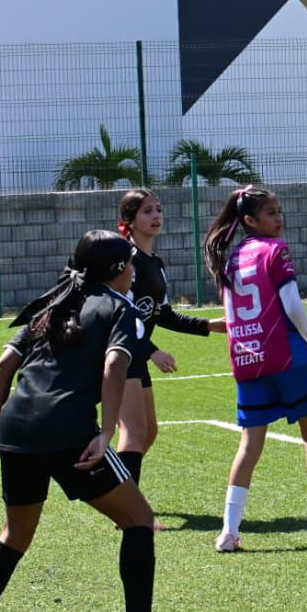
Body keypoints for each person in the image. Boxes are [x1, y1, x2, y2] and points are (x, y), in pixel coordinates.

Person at [0, 231, 194, 612]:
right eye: (130, 263)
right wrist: (107, 432)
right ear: (118, 270)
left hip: (19, 428)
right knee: (139, 520)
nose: (134, 270)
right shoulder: (119, 307)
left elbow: (3, 365)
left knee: (14, 536)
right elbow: (113, 368)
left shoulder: (52, 300)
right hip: (69, 430)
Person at [203, 185, 307, 552]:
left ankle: (229, 531)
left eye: (279, 210)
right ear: (249, 220)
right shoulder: (275, 250)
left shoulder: (230, 258)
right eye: (270, 212)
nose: (279, 218)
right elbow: (292, 303)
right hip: (286, 356)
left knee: (250, 444)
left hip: (247, 359)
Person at [115, 189, 226, 512]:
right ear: (129, 221)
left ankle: (114, 487)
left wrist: (209, 325)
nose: (156, 216)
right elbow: (119, 318)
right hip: (119, 354)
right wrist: (152, 351)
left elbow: (162, 315)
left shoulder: (155, 263)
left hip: (135, 354)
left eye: (158, 209)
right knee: (134, 432)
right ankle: (126, 508)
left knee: (147, 432)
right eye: (147, 211)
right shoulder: (127, 262)